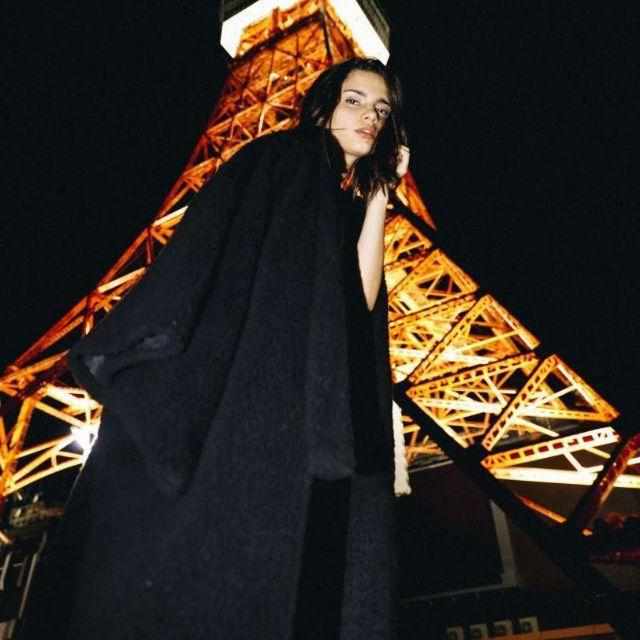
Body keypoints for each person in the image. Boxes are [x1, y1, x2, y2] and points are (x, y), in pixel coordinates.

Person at [21, 57, 409, 640]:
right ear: (322, 107)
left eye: (380, 109)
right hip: (254, 392)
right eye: (353, 100)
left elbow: (360, 303)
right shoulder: (284, 158)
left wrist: (379, 198)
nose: (370, 117)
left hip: (290, 399)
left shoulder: (338, 200)